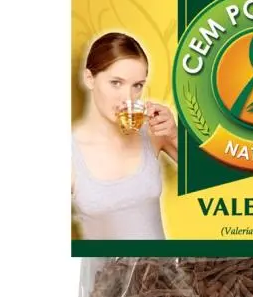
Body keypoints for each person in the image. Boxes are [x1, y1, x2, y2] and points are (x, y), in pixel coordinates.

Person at [71, 32, 178, 240]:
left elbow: (206, 175)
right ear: (89, 78)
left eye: (137, 85)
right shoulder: (70, 153)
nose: (128, 98)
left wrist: (174, 134)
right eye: (116, 83)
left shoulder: (152, 132)